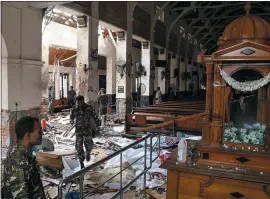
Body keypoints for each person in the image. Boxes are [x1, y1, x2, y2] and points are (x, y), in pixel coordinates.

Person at [2, 116, 46, 199]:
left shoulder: (25, 153)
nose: (42, 134)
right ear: (28, 135)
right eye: (39, 132)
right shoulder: (17, 161)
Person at [70, 95, 100, 168]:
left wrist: (97, 125)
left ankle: (88, 153)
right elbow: (72, 116)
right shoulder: (75, 108)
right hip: (79, 130)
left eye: (80, 102)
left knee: (89, 144)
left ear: (83, 101)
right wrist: (71, 120)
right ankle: (81, 161)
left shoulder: (88, 107)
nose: (79, 104)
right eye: (77, 103)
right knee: (78, 146)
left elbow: (95, 116)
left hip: (87, 129)